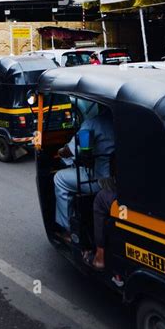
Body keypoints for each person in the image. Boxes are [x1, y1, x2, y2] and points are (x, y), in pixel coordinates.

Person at [54, 104, 115, 243]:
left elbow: (71, 151)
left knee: (59, 178)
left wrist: (60, 152)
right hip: (119, 180)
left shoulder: (92, 123)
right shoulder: (122, 122)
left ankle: (67, 231)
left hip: (100, 181)